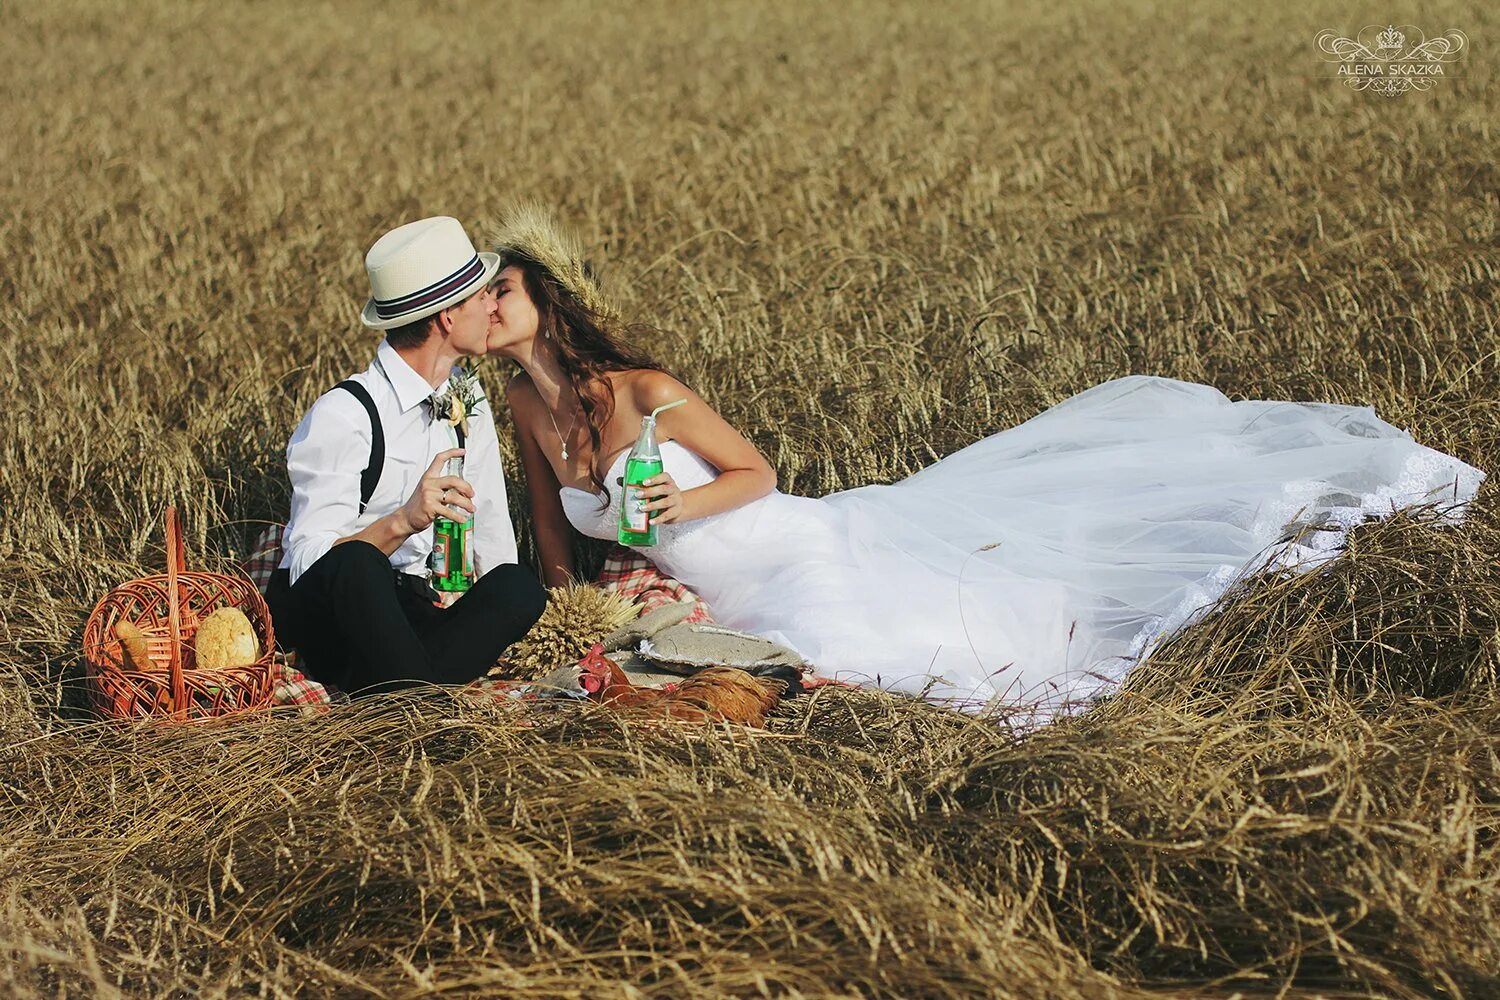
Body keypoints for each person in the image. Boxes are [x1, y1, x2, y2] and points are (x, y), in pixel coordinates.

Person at [484, 204, 1486, 717]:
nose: (485, 312)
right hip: (717, 591)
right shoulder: (526, 404)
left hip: (784, 547)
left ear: (547, 299)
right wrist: (576, 614)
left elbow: (757, 475)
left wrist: (675, 515)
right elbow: (552, 532)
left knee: (858, 659)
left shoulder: (647, 388)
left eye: (500, 296)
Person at [266, 216, 546, 694]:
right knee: (360, 563)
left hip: (410, 608)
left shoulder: (466, 396)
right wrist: (404, 521)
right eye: (483, 295)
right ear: (448, 318)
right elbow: (312, 563)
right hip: (334, 618)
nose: (493, 308)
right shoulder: (344, 414)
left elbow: (491, 522)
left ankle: (402, 689)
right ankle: (421, 708)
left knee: (518, 586)